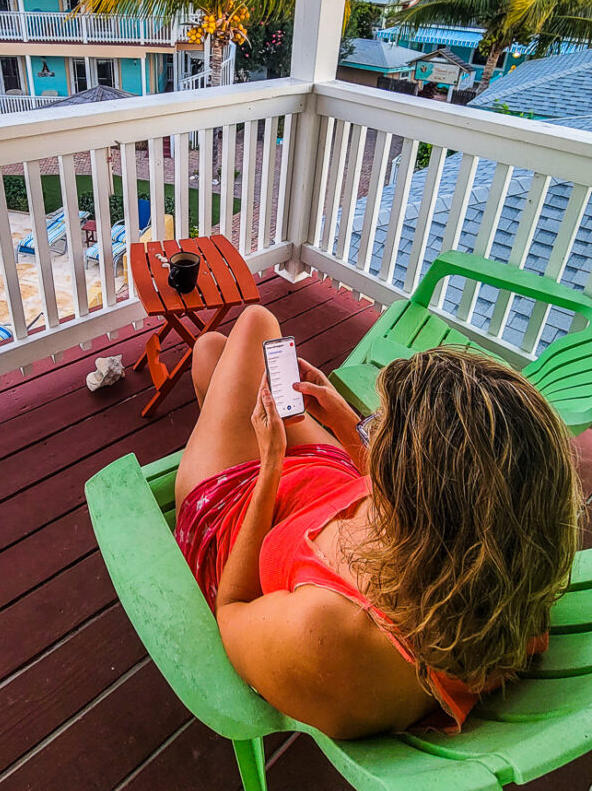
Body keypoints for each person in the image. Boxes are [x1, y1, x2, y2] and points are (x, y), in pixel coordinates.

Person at [174, 305, 582, 739]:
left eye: (382, 431)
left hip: (236, 514)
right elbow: (419, 500)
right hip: (330, 481)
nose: (377, 430)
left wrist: (270, 465)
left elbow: (233, 608)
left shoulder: (332, 638)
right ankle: (231, 422)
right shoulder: (504, 566)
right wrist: (347, 424)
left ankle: (231, 434)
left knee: (240, 331)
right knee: (219, 353)